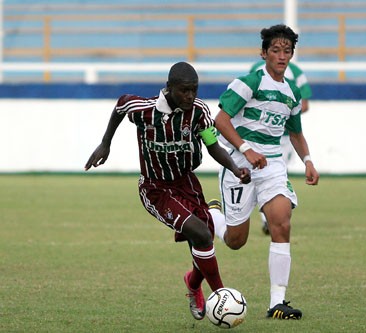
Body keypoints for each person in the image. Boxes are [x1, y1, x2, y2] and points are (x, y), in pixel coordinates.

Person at [84, 62, 251, 321]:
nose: (190, 96)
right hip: (155, 188)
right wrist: (105, 144)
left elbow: (212, 146)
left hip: (187, 183)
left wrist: (234, 166)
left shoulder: (198, 113)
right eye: (184, 90)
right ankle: (222, 296)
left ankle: (193, 284)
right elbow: (120, 106)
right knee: (201, 233)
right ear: (169, 88)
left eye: (194, 90)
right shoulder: (144, 110)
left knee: (203, 238)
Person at [208, 24, 320, 320]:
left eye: (287, 51)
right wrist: (246, 149)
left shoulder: (291, 92)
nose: (282, 56)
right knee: (236, 241)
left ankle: (277, 303)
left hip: (272, 166)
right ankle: (214, 216)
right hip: (239, 164)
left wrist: (307, 159)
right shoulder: (249, 82)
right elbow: (220, 120)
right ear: (263, 53)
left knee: (281, 222)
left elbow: (295, 133)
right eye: (276, 50)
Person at [250, 59, 313, 235]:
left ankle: (270, 218)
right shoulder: (256, 71)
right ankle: (267, 219)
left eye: (286, 50)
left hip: (284, 138)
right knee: (262, 174)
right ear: (266, 51)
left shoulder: (296, 73)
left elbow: (304, 104)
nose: (281, 55)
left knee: (275, 174)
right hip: (256, 137)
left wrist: (283, 113)